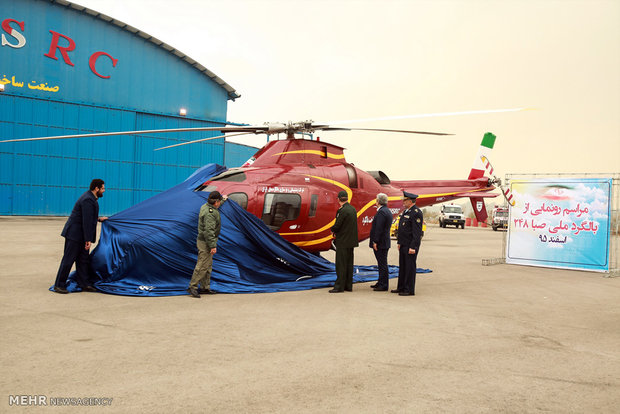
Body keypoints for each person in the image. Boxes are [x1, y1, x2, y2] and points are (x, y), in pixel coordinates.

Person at [53, 179, 107, 293]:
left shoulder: (91, 198)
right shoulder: (88, 199)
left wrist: (99, 219)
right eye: (102, 188)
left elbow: (88, 216)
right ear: (96, 188)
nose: (104, 190)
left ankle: (84, 284)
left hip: (81, 234)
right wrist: (88, 239)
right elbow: (86, 221)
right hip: (75, 235)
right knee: (68, 259)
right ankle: (59, 284)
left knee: (83, 260)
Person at [188, 191, 225, 298]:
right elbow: (209, 231)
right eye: (219, 201)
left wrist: (223, 199)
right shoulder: (210, 213)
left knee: (208, 266)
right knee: (202, 265)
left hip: (204, 241)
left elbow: (216, 205)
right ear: (216, 202)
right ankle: (193, 287)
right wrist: (213, 246)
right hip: (206, 242)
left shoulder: (206, 206)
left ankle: (205, 287)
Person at [393, 191, 423, 296]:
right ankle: (401, 287)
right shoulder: (406, 212)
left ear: (410, 201)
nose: (403, 202)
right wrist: (399, 242)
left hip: (410, 245)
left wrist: (413, 246)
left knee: (409, 267)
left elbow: (417, 232)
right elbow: (403, 229)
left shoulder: (416, 212)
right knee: (403, 266)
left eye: (404, 200)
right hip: (403, 244)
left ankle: (409, 289)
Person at [329, 190, 359, 293]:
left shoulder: (342, 211)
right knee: (349, 264)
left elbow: (338, 225)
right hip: (351, 242)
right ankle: (348, 285)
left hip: (343, 241)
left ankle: (339, 286)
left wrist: (332, 229)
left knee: (341, 265)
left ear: (338, 199)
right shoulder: (352, 209)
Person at [369, 193, 392, 291]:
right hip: (384, 242)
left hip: (381, 243)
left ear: (378, 201)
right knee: (381, 263)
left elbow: (379, 228)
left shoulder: (382, 212)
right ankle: (381, 282)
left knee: (382, 264)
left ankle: (383, 285)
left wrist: (375, 241)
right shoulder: (386, 210)